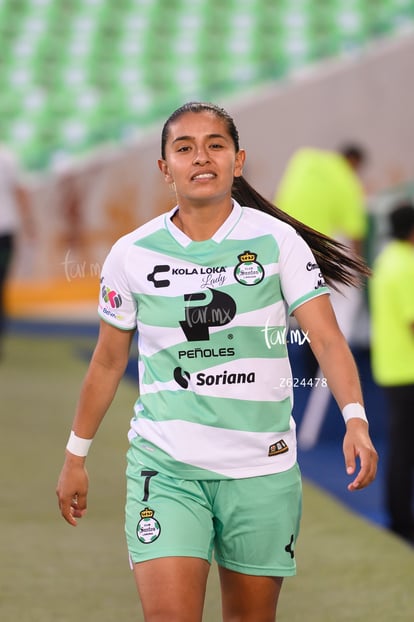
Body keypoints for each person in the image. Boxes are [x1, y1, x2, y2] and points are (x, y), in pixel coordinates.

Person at [56, 102, 378, 622]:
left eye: (215, 145)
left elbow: (327, 338)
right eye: (184, 148)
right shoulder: (130, 254)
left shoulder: (278, 242)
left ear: (238, 159)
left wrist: (356, 420)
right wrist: (76, 455)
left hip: (261, 471)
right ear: (165, 168)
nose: (200, 157)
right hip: (165, 469)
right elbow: (108, 362)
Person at [274, 144, 369, 448]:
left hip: (286, 244)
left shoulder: (303, 161)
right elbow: (354, 229)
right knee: (329, 330)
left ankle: (307, 365)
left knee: (301, 325)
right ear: (354, 162)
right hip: (322, 252)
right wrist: (358, 267)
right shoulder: (347, 180)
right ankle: (319, 371)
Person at [369, 200, 414, 545]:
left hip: (393, 367)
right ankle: (401, 520)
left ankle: (398, 515)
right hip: (407, 370)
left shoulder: (387, 260)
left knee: (401, 447)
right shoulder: (406, 265)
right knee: (403, 449)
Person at [0, 145, 34, 357]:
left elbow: (20, 192)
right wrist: (29, 224)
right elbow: (20, 193)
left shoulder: (8, 158)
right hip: (5, 234)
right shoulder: (8, 158)